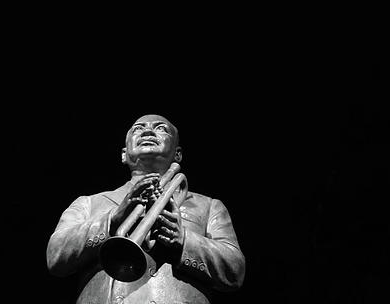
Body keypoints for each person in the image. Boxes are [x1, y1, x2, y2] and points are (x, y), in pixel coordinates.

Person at [46, 114, 245, 303]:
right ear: (124, 154)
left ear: (178, 154)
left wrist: (184, 240)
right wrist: (112, 220)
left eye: (160, 129)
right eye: (138, 129)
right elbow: (55, 256)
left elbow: (235, 271)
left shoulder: (208, 206)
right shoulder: (88, 203)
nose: (147, 132)